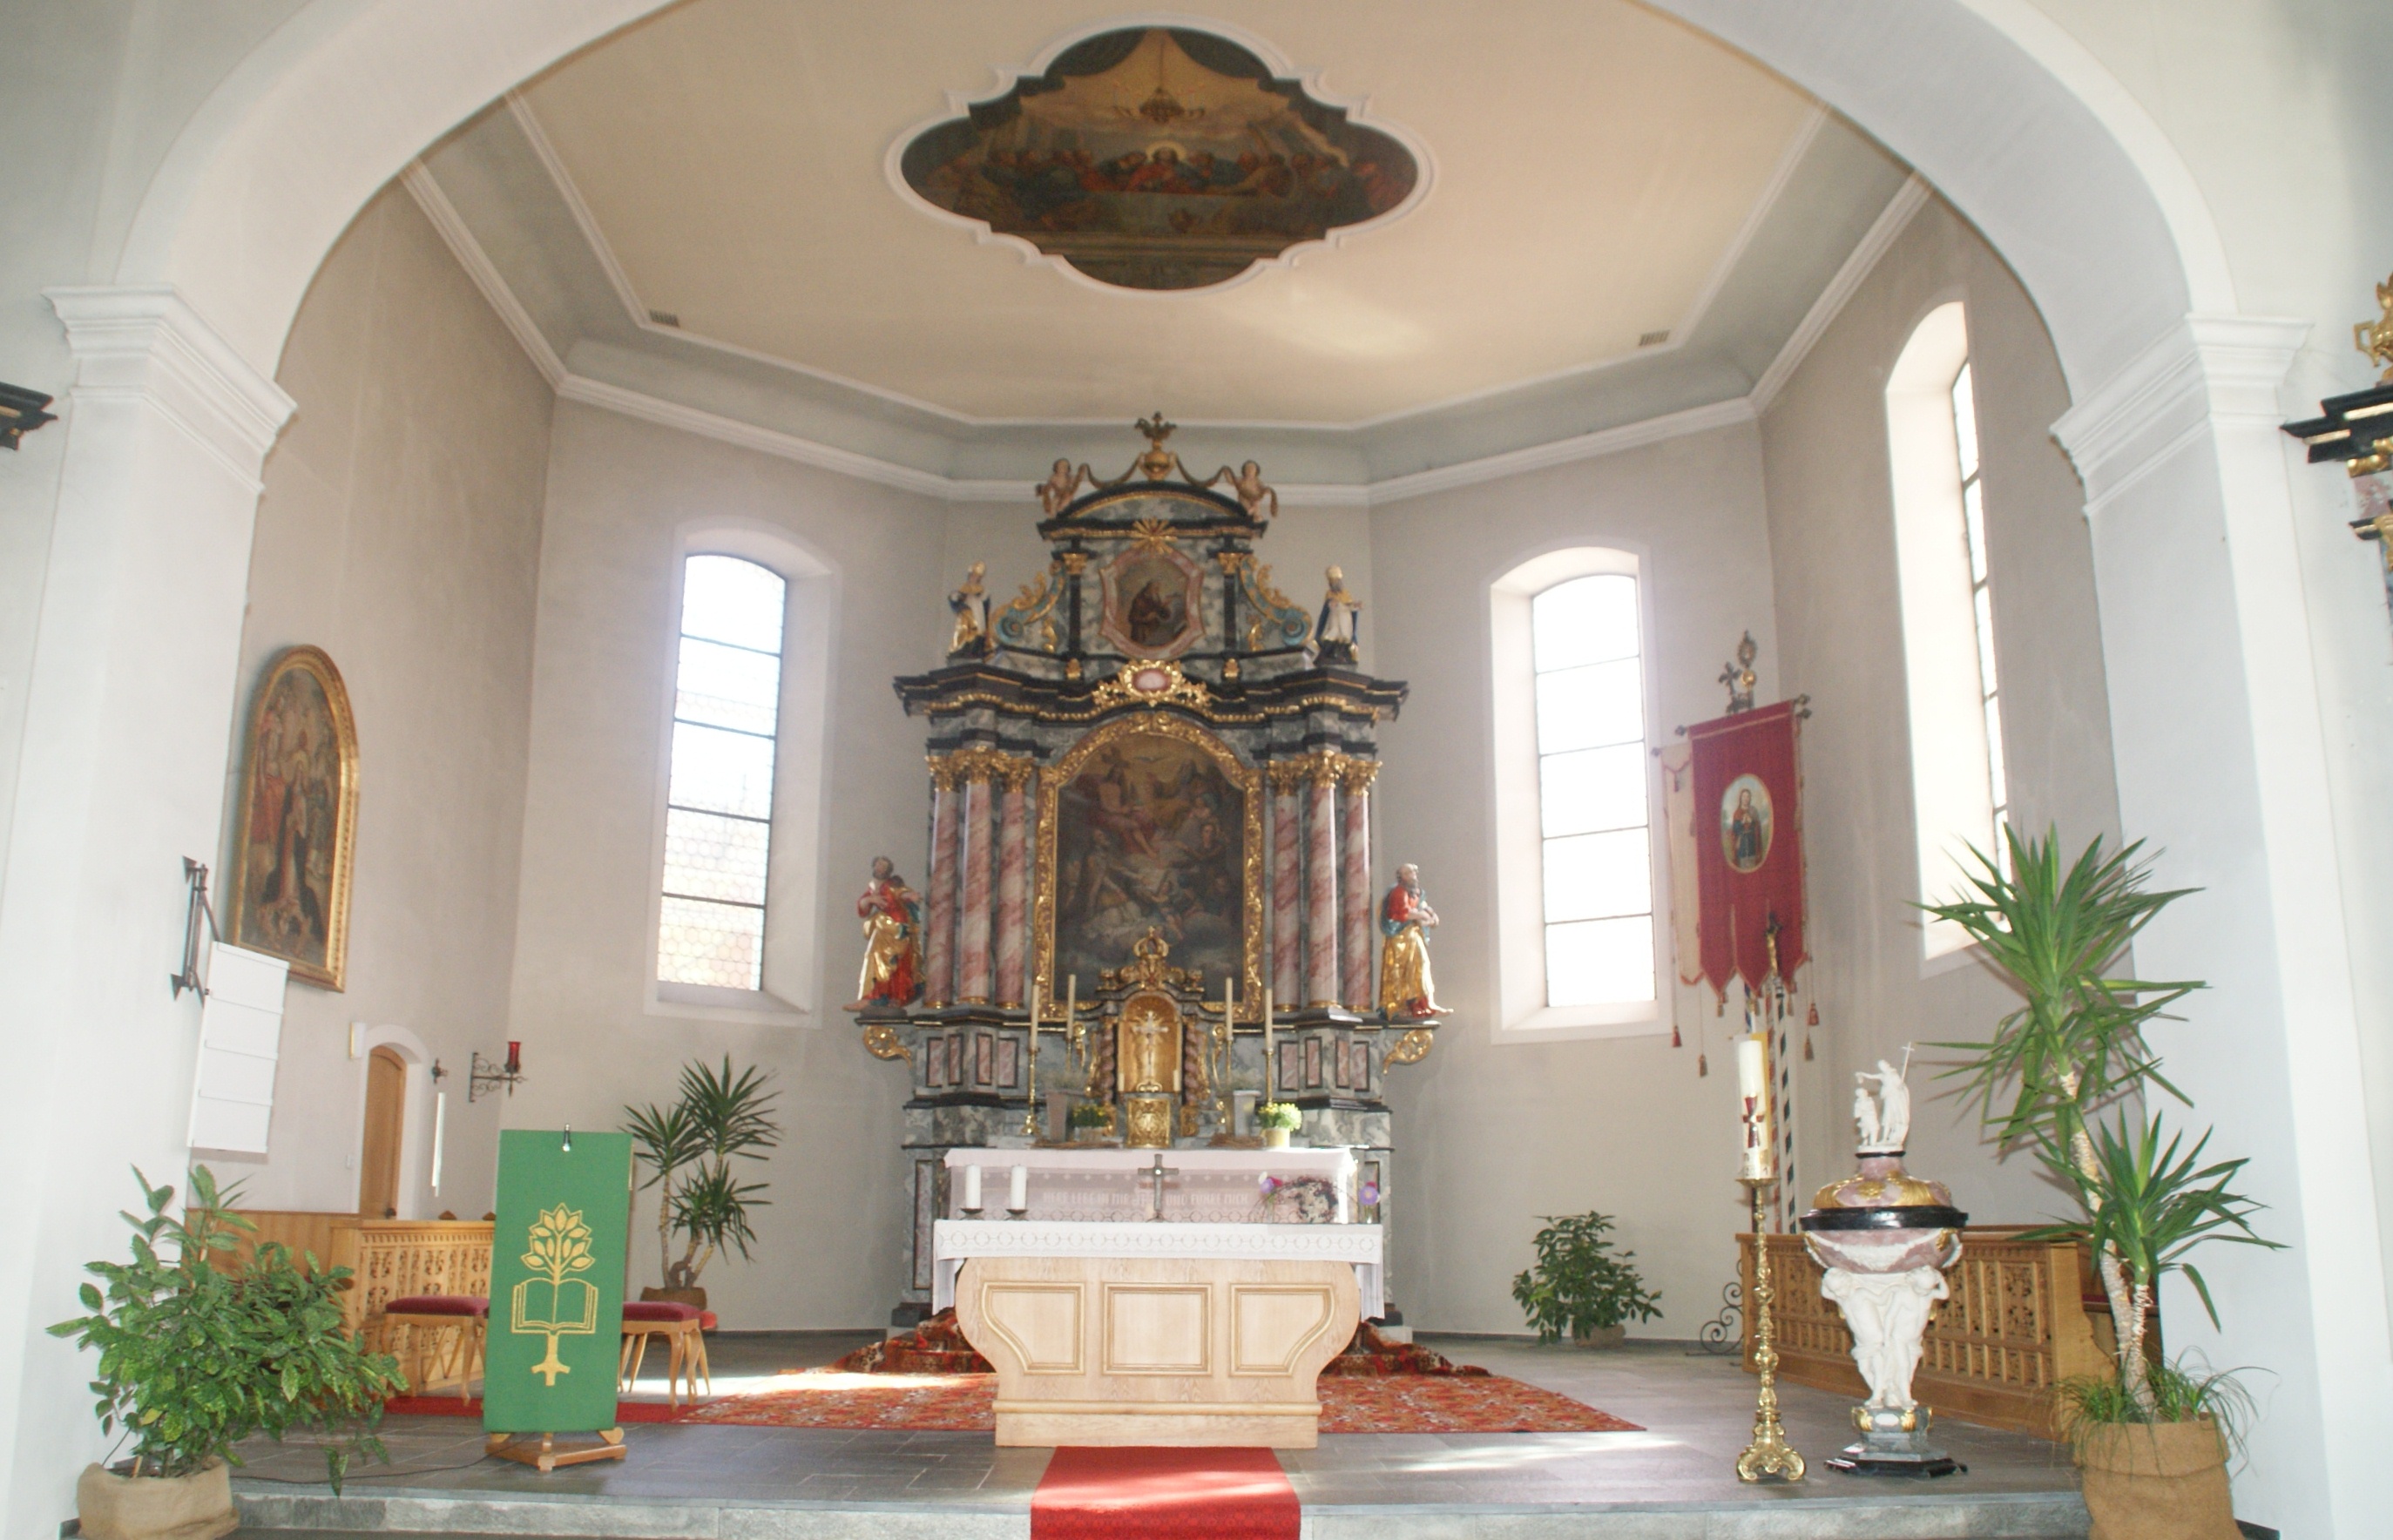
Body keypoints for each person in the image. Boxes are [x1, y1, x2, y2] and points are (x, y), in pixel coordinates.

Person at [848, 857, 924, 1011]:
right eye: (878, 865)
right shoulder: (873, 887)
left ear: (888, 870)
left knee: (895, 962)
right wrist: (870, 899)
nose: (880, 868)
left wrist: (910, 897)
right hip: (882, 928)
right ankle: (874, 997)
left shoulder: (892, 884)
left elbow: (901, 893)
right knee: (874, 959)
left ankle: (894, 996)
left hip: (896, 928)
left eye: (883, 866)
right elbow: (863, 908)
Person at [1377, 863, 1451, 1019]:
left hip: (1413, 935)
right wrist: (1422, 916)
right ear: (1402, 877)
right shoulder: (1399, 892)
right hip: (1400, 939)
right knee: (1403, 971)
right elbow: (1402, 913)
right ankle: (1403, 1006)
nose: (1414, 875)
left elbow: (1423, 906)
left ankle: (1426, 1004)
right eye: (1410, 873)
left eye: (1414, 873)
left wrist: (1432, 915)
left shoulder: (1415, 892)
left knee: (1422, 965)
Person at [1314, 565, 1362, 664]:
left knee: (1345, 637)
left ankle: (1342, 655)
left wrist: (1355, 606)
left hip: (1345, 619)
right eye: (1332, 582)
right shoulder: (1329, 593)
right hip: (1335, 618)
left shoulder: (1345, 593)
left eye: (1335, 581)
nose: (1333, 584)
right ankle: (1326, 655)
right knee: (1332, 634)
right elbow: (1326, 608)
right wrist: (1331, 603)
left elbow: (1350, 606)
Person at [948, 561, 990, 657]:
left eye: (977, 576)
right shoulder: (964, 588)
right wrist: (956, 598)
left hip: (977, 612)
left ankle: (975, 650)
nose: (974, 578)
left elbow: (985, 605)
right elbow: (957, 598)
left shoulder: (982, 590)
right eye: (973, 575)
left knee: (979, 630)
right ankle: (962, 648)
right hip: (966, 613)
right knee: (964, 628)